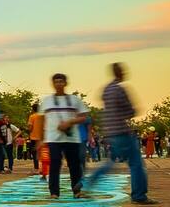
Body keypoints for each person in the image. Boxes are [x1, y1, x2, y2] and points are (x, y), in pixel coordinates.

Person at [84, 63, 155, 204]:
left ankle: (87, 183)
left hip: (111, 132)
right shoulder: (120, 89)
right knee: (136, 164)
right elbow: (130, 110)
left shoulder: (106, 89)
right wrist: (132, 112)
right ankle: (139, 195)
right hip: (122, 131)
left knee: (110, 162)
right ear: (120, 72)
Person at [41, 73, 89, 199]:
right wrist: (40, 138)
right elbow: (42, 119)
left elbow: (84, 116)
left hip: (72, 138)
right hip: (53, 138)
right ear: (53, 84)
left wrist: (70, 122)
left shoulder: (74, 100)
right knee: (55, 164)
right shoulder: (47, 101)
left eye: (61, 81)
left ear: (65, 83)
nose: (59, 84)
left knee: (74, 165)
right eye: (56, 82)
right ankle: (54, 192)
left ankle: (77, 191)